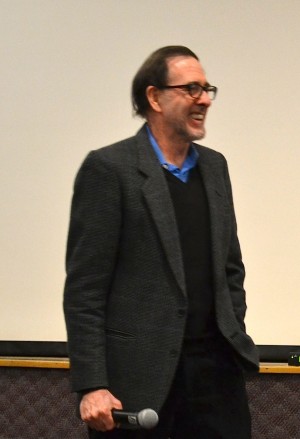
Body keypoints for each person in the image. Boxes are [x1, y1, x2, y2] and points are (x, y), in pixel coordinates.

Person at [63, 45, 259, 439]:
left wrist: (232, 327)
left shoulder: (215, 167)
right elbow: (85, 290)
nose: (204, 99)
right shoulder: (109, 169)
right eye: (191, 89)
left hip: (217, 381)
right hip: (138, 385)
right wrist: (91, 384)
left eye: (207, 89)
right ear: (154, 97)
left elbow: (229, 267)